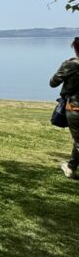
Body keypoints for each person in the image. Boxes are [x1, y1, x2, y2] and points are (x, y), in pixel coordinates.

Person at [49, 37, 79, 179]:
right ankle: (71, 167)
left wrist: (66, 67)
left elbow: (53, 82)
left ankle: (71, 167)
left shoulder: (71, 65)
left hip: (75, 108)